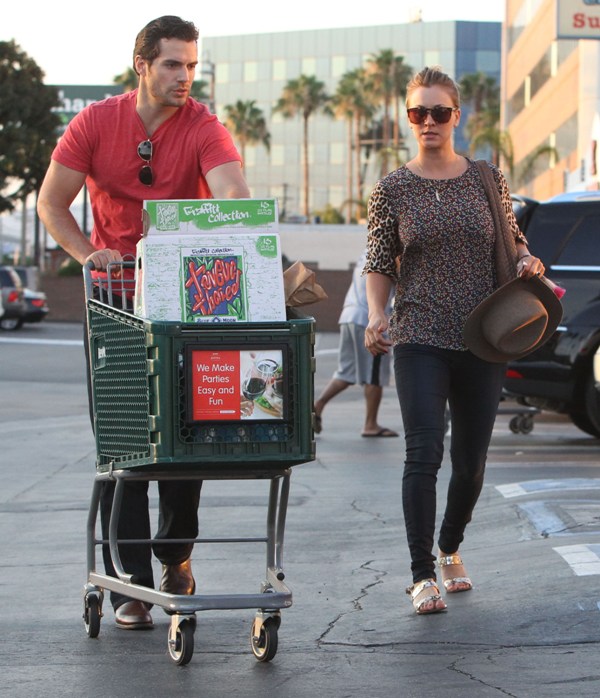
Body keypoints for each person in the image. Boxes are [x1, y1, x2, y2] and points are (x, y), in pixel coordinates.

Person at [37, 15, 250, 630]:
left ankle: (175, 555)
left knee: (187, 434)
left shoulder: (204, 126)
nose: (185, 76)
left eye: (192, 65)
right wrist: (88, 253)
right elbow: (52, 202)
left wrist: (230, 217)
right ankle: (130, 583)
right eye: (173, 64)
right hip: (116, 298)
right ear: (143, 65)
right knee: (126, 441)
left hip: (185, 300)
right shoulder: (95, 123)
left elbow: (235, 198)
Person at [363, 66, 545, 615]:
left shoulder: (487, 177)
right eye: (418, 112)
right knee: (423, 452)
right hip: (419, 334)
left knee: (471, 463)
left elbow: (513, 239)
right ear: (409, 118)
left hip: (484, 336)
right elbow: (379, 261)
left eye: (439, 112)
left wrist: (527, 260)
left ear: (456, 117)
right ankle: (422, 575)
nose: (429, 121)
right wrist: (377, 314)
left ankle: (449, 547)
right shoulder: (392, 189)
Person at [313, 249, 398, 438]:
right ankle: (370, 424)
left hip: (349, 315)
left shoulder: (367, 252)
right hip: (370, 320)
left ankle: (318, 405)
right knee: (374, 374)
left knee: (346, 372)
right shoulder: (391, 251)